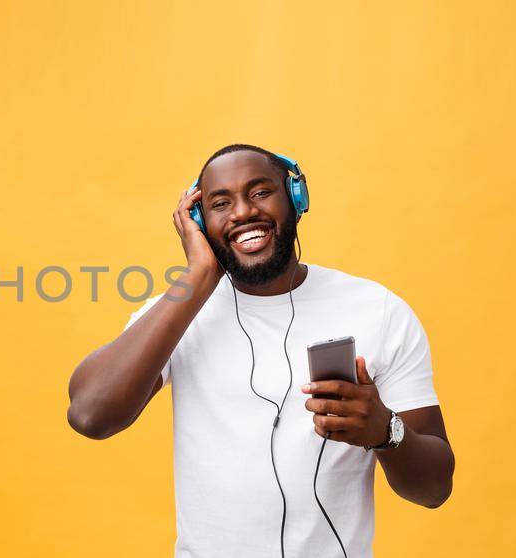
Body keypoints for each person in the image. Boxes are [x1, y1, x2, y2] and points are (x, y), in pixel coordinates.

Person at [66, 145, 455, 558]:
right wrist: (198, 276)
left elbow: (434, 489)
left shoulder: (378, 310)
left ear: (295, 199)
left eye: (259, 192)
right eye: (220, 203)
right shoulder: (178, 312)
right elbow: (91, 415)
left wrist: (384, 431)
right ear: (198, 222)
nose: (241, 213)